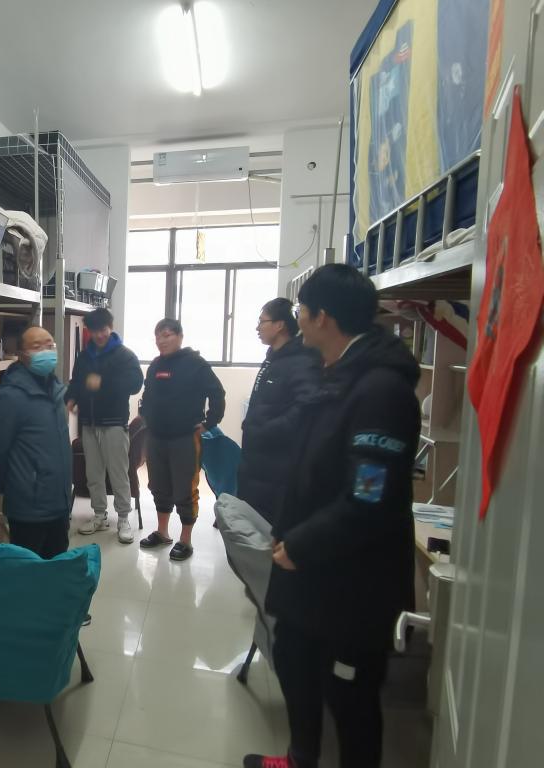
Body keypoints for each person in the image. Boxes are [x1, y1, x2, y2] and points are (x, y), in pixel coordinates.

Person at [244, 265, 420, 768]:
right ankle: (300, 758)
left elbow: (369, 499)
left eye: (301, 310)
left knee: (349, 696)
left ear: (323, 317)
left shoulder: (380, 391)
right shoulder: (336, 373)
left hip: (350, 578)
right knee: (295, 660)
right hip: (312, 569)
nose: (297, 319)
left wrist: (302, 543)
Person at [0, 325, 73, 560]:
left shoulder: (57, 391)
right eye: (37, 346)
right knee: (28, 574)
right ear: (22, 355)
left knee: (55, 571)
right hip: (28, 511)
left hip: (59, 504)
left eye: (50, 345)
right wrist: (17, 489)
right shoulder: (11, 396)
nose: (46, 351)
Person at [139, 318, 225, 561]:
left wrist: (209, 422)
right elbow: (148, 394)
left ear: (179, 336)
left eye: (166, 335)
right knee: (158, 486)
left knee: (185, 489)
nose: (161, 340)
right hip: (157, 437)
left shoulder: (196, 364)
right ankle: (162, 532)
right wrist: (145, 415)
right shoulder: (155, 365)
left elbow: (217, 393)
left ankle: (185, 540)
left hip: (185, 438)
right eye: (158, 336)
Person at [237, 298, 321, 524]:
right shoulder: (274, 359)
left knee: (268, 531)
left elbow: (306, 410)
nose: (257, 328)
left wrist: (265, 430)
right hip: (259, 465)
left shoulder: (301, 361)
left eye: (262, 321)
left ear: (280, 325)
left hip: (277, 470)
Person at [66, 308, 144, 544]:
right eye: (94, 330)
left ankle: (123, 519)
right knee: (93, 474)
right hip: (89, 424)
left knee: (118, 474)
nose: (99, 335)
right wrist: (70, 399)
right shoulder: (84, 356)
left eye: (103, 330)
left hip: (114, 424)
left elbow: (135, 383)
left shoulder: (124, 355)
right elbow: (76, 382)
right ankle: (99, 515)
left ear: (110, 327)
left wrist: (103, 382)